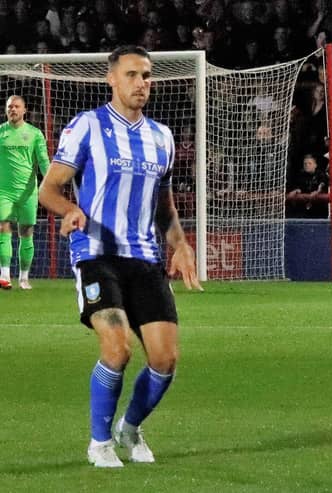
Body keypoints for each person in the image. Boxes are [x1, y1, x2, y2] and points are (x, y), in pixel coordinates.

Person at [38, 45, 202, 468]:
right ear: (111, 79)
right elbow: (49, 190)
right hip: (97, 253)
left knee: (165, 360)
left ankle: (129, 429)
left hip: (144, 258)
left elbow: (164, 205)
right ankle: (99, 443)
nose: (141, 83)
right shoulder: (86, 127)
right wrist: (70, 210)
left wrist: (180, 245)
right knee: (117, 348)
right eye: (131, 75)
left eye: (147, 75)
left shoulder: (161, 136)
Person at [0, 95, 50, 290]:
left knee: (26, 232)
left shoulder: (35, 134)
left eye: (16, 106)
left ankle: (24, 278)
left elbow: (44, 161)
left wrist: (50, 182)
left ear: (24, 110)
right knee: (3, 227)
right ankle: (4, 274)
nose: (13, 109)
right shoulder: (1, 133)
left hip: (28, 192)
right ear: (6, 110)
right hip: (3, 191)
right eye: (9, 107)